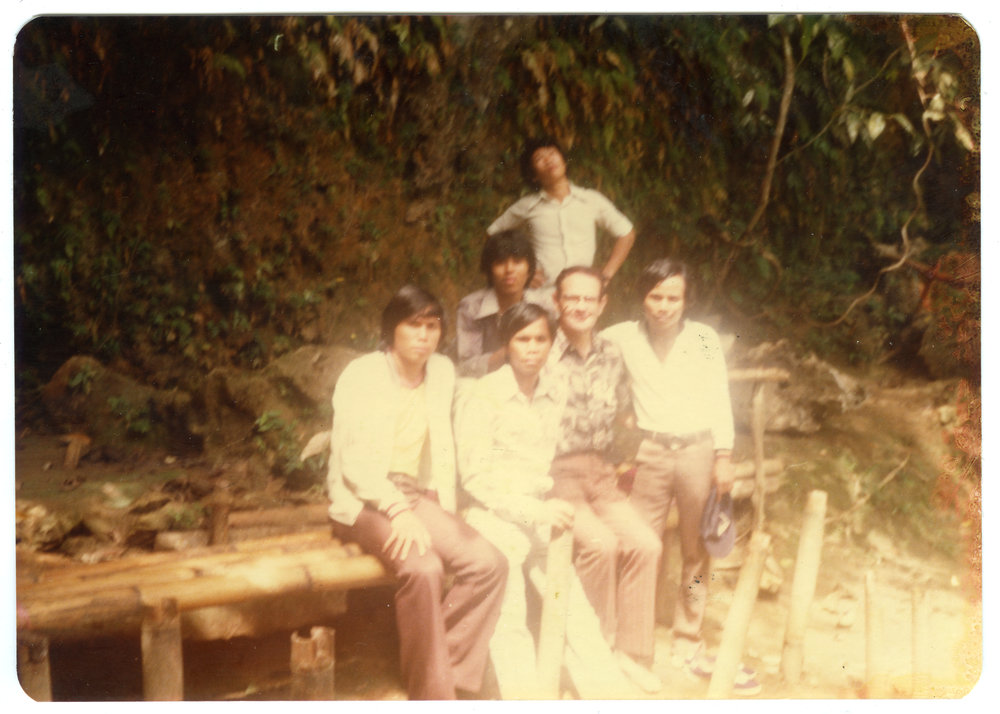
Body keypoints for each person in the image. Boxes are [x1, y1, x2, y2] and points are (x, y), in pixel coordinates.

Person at [326, 284, 508, 700]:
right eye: (413, 325)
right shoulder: (363, 375)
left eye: (432, 326)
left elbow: (444, 443)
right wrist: (397, 510)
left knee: (488, 563)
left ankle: (452, 674)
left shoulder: (442, 370)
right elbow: (354, 465)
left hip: (414, 496)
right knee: (425, 569)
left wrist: (444, 506)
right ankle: (433, 695)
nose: (424, 335)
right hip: (361, 500)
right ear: (392, 329)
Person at [455, 302, 634, 699]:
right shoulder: (485, 393)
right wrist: (535, 509)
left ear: (552, 344)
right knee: (511, 610)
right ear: (507, 343)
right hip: (491, 516)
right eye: (522, 339)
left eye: (541, 339)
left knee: (568, 602)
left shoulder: (554, 392)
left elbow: (542, 466)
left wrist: (541, 508)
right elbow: (475, 477)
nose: (532, 348)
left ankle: (610, 696)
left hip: (538, 513)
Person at [601, 258, 739, 681]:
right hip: (650, 453)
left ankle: (687, 633)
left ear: (685, 300)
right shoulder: (621, 336)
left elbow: (719, 396)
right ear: (642, 297)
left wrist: (724, 455)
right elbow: (580, 340)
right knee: (642, 544)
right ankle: (634, 636)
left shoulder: (702, 338)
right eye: (655, 296)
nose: (663, 306)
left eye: (672, 297)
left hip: (697, 450)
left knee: (694, 552)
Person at [545, 266, 663, 693]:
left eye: (588, 299)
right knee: (599, 544)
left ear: (602, 305)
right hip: (555, 474)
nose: (579, 306)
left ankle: (627, 653)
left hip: (600, 471)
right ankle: (585, 654)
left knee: (646, 543)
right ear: (557, 302)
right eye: (571, 298)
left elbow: (627, 411)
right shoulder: (539, 348)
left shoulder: (612, 353)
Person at [486, 137, 636, 288]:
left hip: (582, 292)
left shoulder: (591, 199)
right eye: (539, 158)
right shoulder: (527, 205)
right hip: (542, 293)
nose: (548, 160)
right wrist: (524, 273)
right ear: (533, 175)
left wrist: (606, 275)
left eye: (552, 153)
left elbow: (626, 234)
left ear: (564, 161)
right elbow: (492, 234)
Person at [456, 229, 555, 377]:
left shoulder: (543, 305)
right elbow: (466, 367)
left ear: (529, 269)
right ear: (489, 269)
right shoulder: (472, 307)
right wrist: (508, 352)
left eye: (517, 262)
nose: (509, 269)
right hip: (486, 382)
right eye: (500, 262)